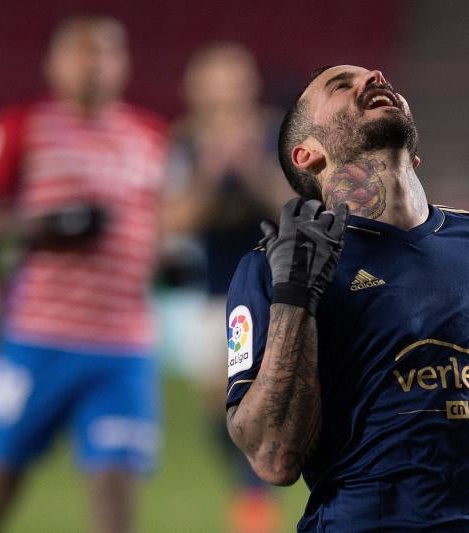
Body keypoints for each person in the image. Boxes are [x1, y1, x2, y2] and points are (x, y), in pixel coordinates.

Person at [225, 65, 469, 532]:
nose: (371, 76)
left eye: (368, 73)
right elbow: (272, 458)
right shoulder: (276, 268)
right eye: (340, 85)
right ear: (307, 154)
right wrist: (294, 298)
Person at [0, 16, 167, 533]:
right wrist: (43, 226)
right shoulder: (19, 128)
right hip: (37, 340)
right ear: (53, 64)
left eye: (105, 53)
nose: (92, 65)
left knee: (116, 508)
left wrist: (164, 258)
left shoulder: (151, 137)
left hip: (122, 348)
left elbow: (160, 223)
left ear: (124, 64)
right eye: (80, 53)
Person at [163, 42, 291, 533]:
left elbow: (296, 210)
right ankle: (250, 484)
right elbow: (173, 220)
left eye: (233, 82)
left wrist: (253, 169)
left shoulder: (278, 134)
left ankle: (258, 494)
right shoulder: (183, 143)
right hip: (214, 290)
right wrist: (211, 173)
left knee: (274, 394)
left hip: (277, 285)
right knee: (218, 398)